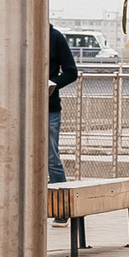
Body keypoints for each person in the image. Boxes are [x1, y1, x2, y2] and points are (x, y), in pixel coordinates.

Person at [46, 25, 80, 186]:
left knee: (51, 158)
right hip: (23, 109)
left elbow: (71, 71)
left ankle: (60, 203)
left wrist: (51, 84)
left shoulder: (55, 37)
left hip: (49, 108)